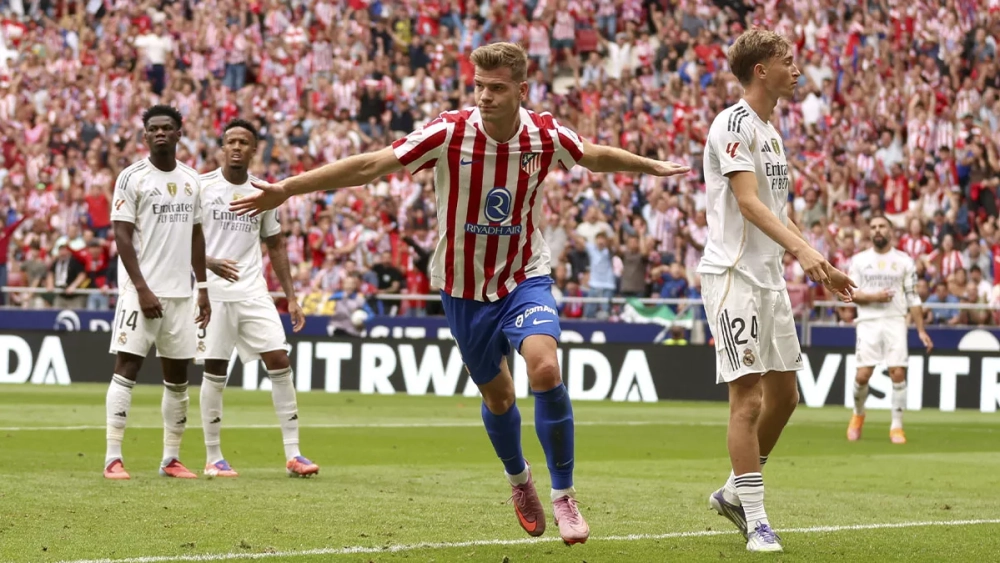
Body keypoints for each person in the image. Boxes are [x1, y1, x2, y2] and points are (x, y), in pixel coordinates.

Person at [230, 42, 689, 545]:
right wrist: (287, 189)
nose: (485, 96)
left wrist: (649, 165)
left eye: (496, 87)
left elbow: (594, 156)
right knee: (500, 398)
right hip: (462, 287)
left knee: (545, 366)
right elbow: (371, 166)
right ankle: (520, 481)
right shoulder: (448, 132)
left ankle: (564, 495)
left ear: (522, 89)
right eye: (479, 86)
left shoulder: (544, 133)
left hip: (523, 275)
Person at [696, 29, 855, 552]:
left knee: (785, 396)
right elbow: (748, 203)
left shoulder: (772, 131)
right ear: (761, 70)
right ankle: (757, 518)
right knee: (747, 399)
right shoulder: (733, 124)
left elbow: (778, 214)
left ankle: (733, 491)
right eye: (786, 60)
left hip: (769, 278)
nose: (796, 68)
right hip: (733, 275)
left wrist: (820, 261)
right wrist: (804, 254)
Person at [196, 119, 319, 478]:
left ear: (254, 150)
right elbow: (179, 239)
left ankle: (294, 454)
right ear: (221, 147)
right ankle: (213, 457)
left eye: (243, 142)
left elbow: (276, 244)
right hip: (213, 293)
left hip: (252, 290)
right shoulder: (201, 188)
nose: (236, 147)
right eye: (230, 141)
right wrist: (207, 263)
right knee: (215, 369)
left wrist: (291, 297)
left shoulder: (264, 192)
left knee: (279, 360)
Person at [104, 105, 211, 480]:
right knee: (128, 367)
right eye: (154, 128)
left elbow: (197, 235)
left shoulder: (192, 180)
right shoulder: (131, 177)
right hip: (141, 292)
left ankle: (171, 458)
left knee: (178, 376)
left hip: (182, 293)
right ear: (145, 135)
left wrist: (203, 288)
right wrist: (142, 288)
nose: (161, 133)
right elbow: (121, 234)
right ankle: (112, 457)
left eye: (167, 127)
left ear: (180, 133)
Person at [847, 215, 934, 444]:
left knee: (897, 372)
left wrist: (921, 330)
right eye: (873, 226)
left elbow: (913, 297)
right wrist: (876, 296)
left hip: (895, 320)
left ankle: (896, 426)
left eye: (882, 226)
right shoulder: (859, 260)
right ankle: (858, 414)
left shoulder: (904, 261)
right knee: (862, 375)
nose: (877, 230)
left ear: (891, 231)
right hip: (868, 322)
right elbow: (852, 294)